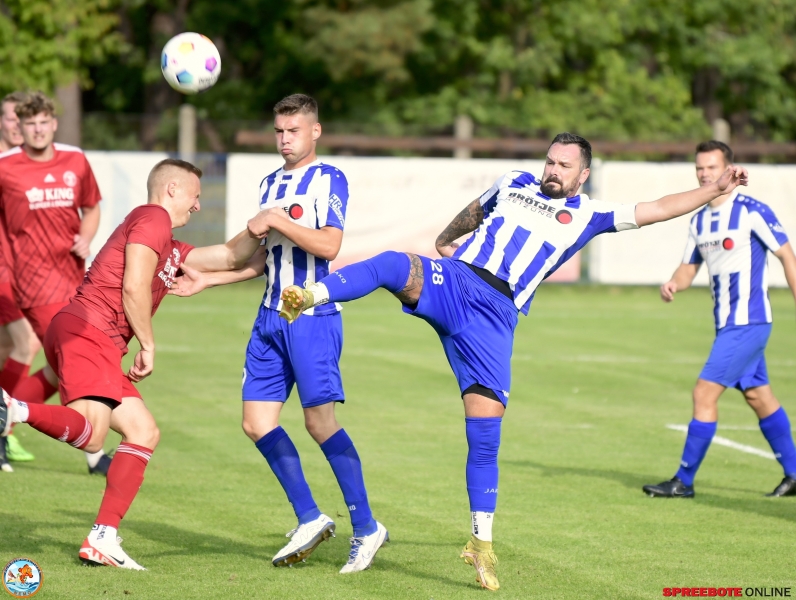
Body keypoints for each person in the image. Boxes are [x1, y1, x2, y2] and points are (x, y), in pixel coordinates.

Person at [277, 132, 749, 591]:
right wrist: (445, 241)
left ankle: (480, 544)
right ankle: (310, 295)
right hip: (458, 282)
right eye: (550, 161)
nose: (553, 171)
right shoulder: (514, 183)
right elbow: (474, 212)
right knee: (390, 265)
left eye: (564, 166)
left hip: (496, 319)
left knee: (484, 434)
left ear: (583, 175)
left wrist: (713, 188)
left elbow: (659, 208)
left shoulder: (589, 214)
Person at [0, 158, 269, 569]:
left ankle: (102, 537)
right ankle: (11, 409)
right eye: (195, 196)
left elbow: (231, 256)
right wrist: (147, 343)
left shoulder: (172, 246)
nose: (198, 207)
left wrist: (261, 227)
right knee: (92, 437)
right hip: (88, 330)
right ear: (173, 189)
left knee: (143, 431)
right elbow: (133, 286)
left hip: (93, 338)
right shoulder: (152, 218)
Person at [169, 94, 388, 573]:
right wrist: (209, 278)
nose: (285, 139)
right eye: (279, 131)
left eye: (294, 130)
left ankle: (367, 527)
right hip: (271, 315)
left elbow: (330, 243)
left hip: (309, 314)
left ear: (315, 132)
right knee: (255, 423)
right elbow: (260, 260)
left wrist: (276, 220)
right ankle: (310, 517)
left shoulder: (329, 179)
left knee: (319, 423)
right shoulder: (270, 183)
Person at [643, 141, 796, 499]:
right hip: (726, 325)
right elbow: (687, 269)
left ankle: (684, 481)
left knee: (703, 392)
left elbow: (788, 256)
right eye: (700, 168)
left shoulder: (751, 210)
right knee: (759, 397)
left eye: (712, 168)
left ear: (729, 168)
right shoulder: (698, 219)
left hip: (749, 322)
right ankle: (794, 473)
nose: (705, 174)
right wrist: (672, 285)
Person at [0, 91, 113, 475]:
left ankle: (5, 420)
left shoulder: (75, 160)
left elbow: (92, 206)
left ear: (53, 123)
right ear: (21, 127)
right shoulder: (6, 167)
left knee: (55, 368)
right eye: (29, 124)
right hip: (31, 284)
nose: (36, 130)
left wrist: (86, 235)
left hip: (74, 280)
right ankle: (95, 454)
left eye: (43, 122)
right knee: (76, 362)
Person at [0, 92, 42, 469]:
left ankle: (4, 431)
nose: (17, 125)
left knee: (10, 347)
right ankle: (4, 427)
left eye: (22, 119)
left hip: (21, 272)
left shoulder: (25, 166)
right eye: (11, 118)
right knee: (24, 343)